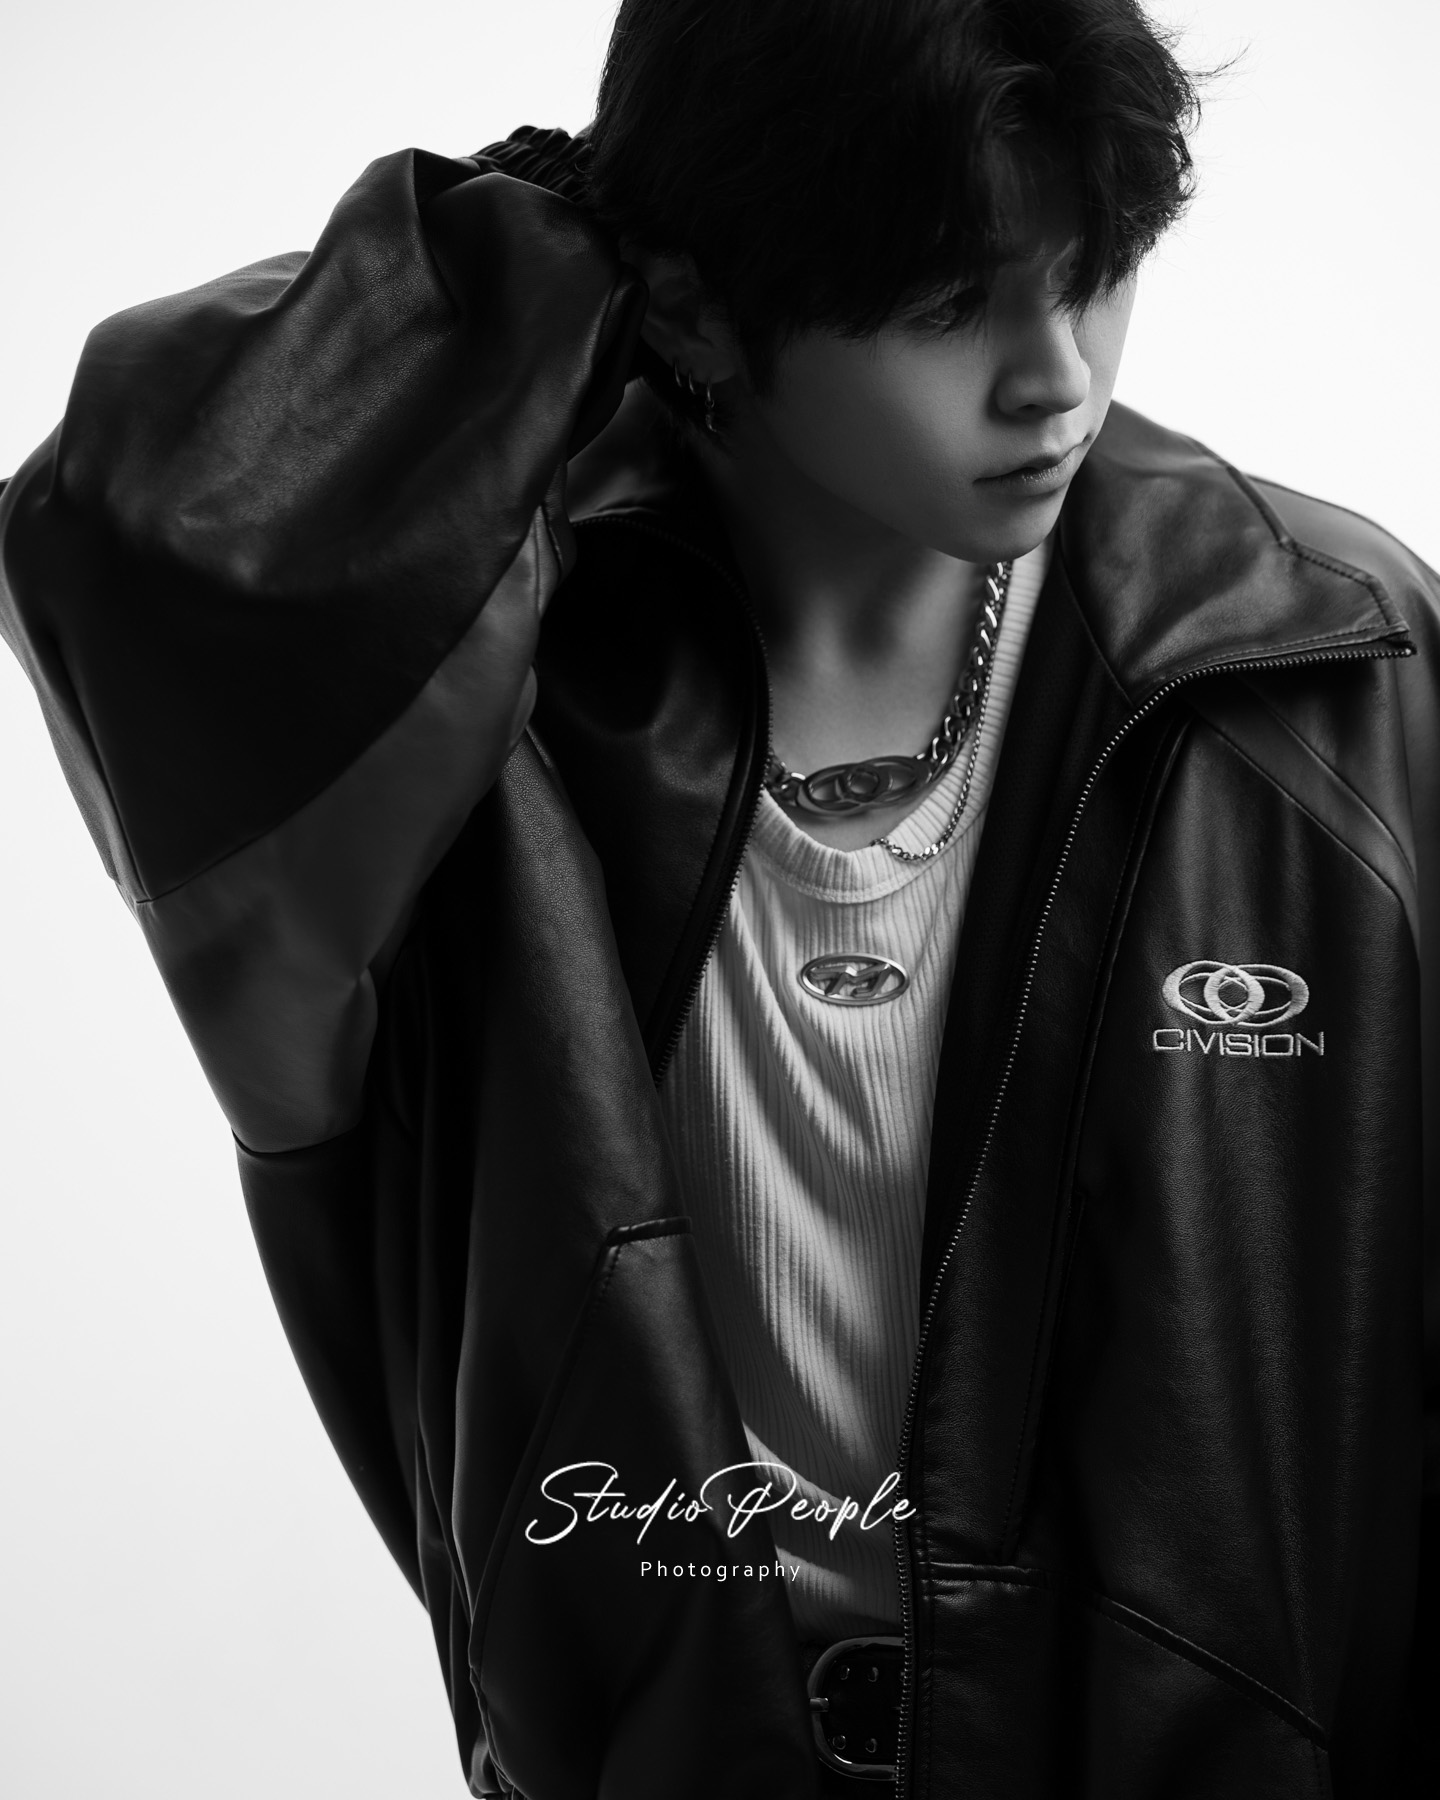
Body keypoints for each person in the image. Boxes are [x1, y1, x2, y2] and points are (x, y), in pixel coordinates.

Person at [0, 0, 1435, 1793]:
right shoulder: (470, 692)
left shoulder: (1330, 662)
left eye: (1095, 275)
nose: (1057, 376)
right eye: (951, 304)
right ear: (687, 304)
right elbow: (136, 518)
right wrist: (567, 231)